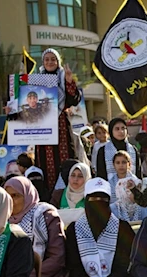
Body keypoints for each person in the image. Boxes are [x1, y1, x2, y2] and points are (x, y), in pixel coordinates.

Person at [31, 48, 85, 191]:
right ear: (42, 62)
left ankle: (66, 196)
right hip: (42, 126)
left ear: (58, 62)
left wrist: (68, 82)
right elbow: (26, 100)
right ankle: (48, 198)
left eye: (53, 59)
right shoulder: (36, 79)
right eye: (47, 59)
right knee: (44, 161)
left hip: (61, 124)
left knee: (64, 159)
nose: (50, 62)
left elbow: (74, 100)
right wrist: (12, 108)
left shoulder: (63, 76)